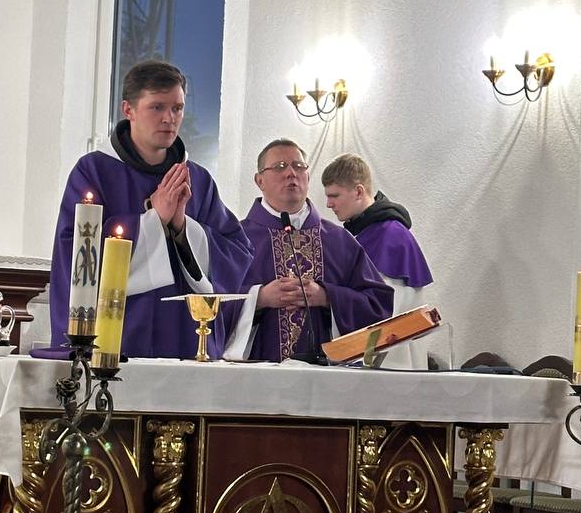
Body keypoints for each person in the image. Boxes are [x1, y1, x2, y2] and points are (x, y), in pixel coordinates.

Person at [48, 60, 252, 359]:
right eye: (157, 107)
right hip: (117, 337)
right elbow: (75, 253)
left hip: (185, 340)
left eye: (177, 108)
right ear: (128, 110)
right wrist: (153, 220)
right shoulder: (94, 171)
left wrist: (183, 228)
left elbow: (237, 252)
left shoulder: (197, 179)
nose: (170, 118)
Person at [223, 139, 394, 362]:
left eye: (299, 166)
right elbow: (207, 306)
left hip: (326, 376)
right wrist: (259, 298)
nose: (291, 173)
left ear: (308, 177)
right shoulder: (235, 240)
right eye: (280, 167)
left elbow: (378, 305)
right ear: (260, 180)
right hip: (255, 375)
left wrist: (328, 297)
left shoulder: (340, 240)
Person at [321, 153, 434, 367]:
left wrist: (328, 297)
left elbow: (383, 312)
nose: (329, 204)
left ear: (358, 191)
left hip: (389, 361)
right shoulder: (365, 233)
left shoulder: (389, 236)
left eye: (334, 195)